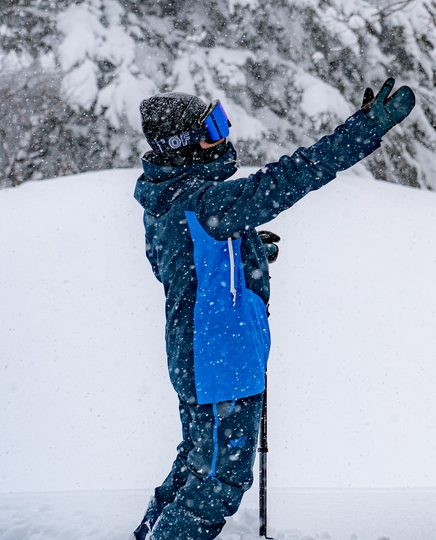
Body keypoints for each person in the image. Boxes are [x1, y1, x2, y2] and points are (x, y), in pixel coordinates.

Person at [132, 79, 415, 540]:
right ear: (183, 145)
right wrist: (361, 131)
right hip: (220, 365)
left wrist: (243, 254)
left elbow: (179, 269)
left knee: (196, 464)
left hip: (203, 360)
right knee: (217, 483)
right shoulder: (205, 203)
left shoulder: (168, 200)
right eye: (212, 127)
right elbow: (292, 176)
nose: (223, 134)